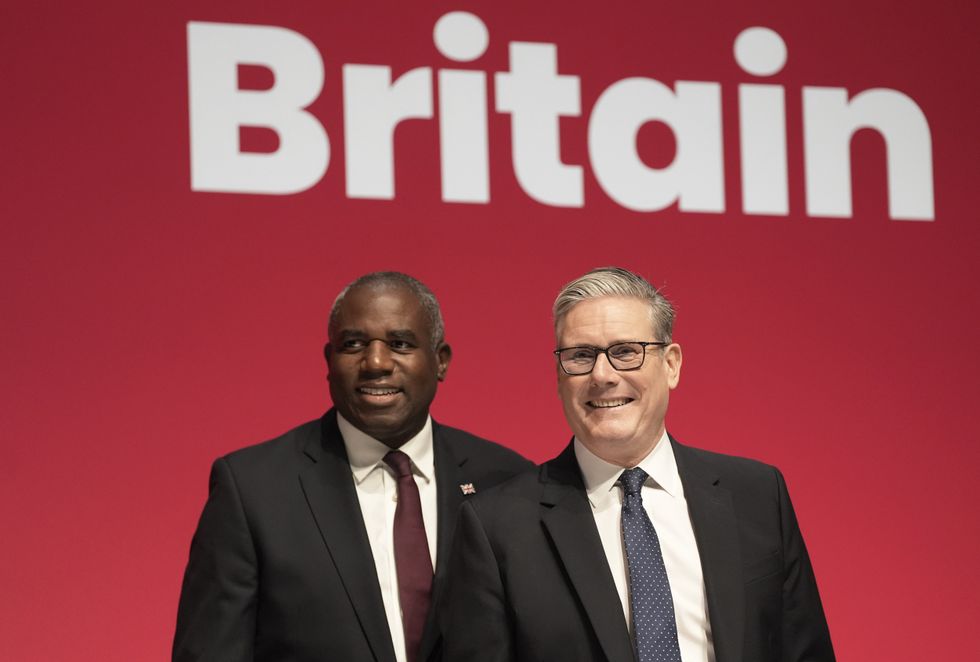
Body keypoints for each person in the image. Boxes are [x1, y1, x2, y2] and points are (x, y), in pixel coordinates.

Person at [442, 266, 834, 662]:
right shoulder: (497, 526)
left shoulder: (758, 494)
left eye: (625, 352)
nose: (602, 375)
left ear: (671, 365)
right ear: (558, 376)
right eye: (580, 355)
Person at [174, 272, 532, 662]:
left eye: (399, 343)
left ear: (440, 361)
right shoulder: (253, 490)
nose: (375, 362)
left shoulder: (507, 480)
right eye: (354, 344)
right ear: (329, 361)